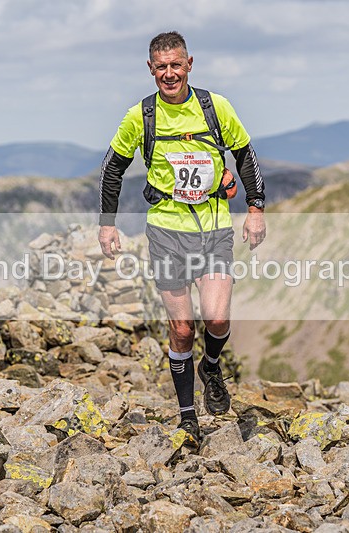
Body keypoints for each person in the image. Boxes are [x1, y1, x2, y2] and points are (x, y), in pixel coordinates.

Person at [98, 31, 265, 445]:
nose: (169, 74)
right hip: (166, 233)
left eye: (176, 65)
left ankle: (211, 366)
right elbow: (111, 169)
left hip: (214, 230)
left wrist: (256, 208)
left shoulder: (215, 107)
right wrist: (107, 223)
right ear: (151, 69)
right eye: (161, 67)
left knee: (218, 319)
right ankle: (188, 414)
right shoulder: (141, 115)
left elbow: (245, 155)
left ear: (190, 63)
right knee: (182, 330)